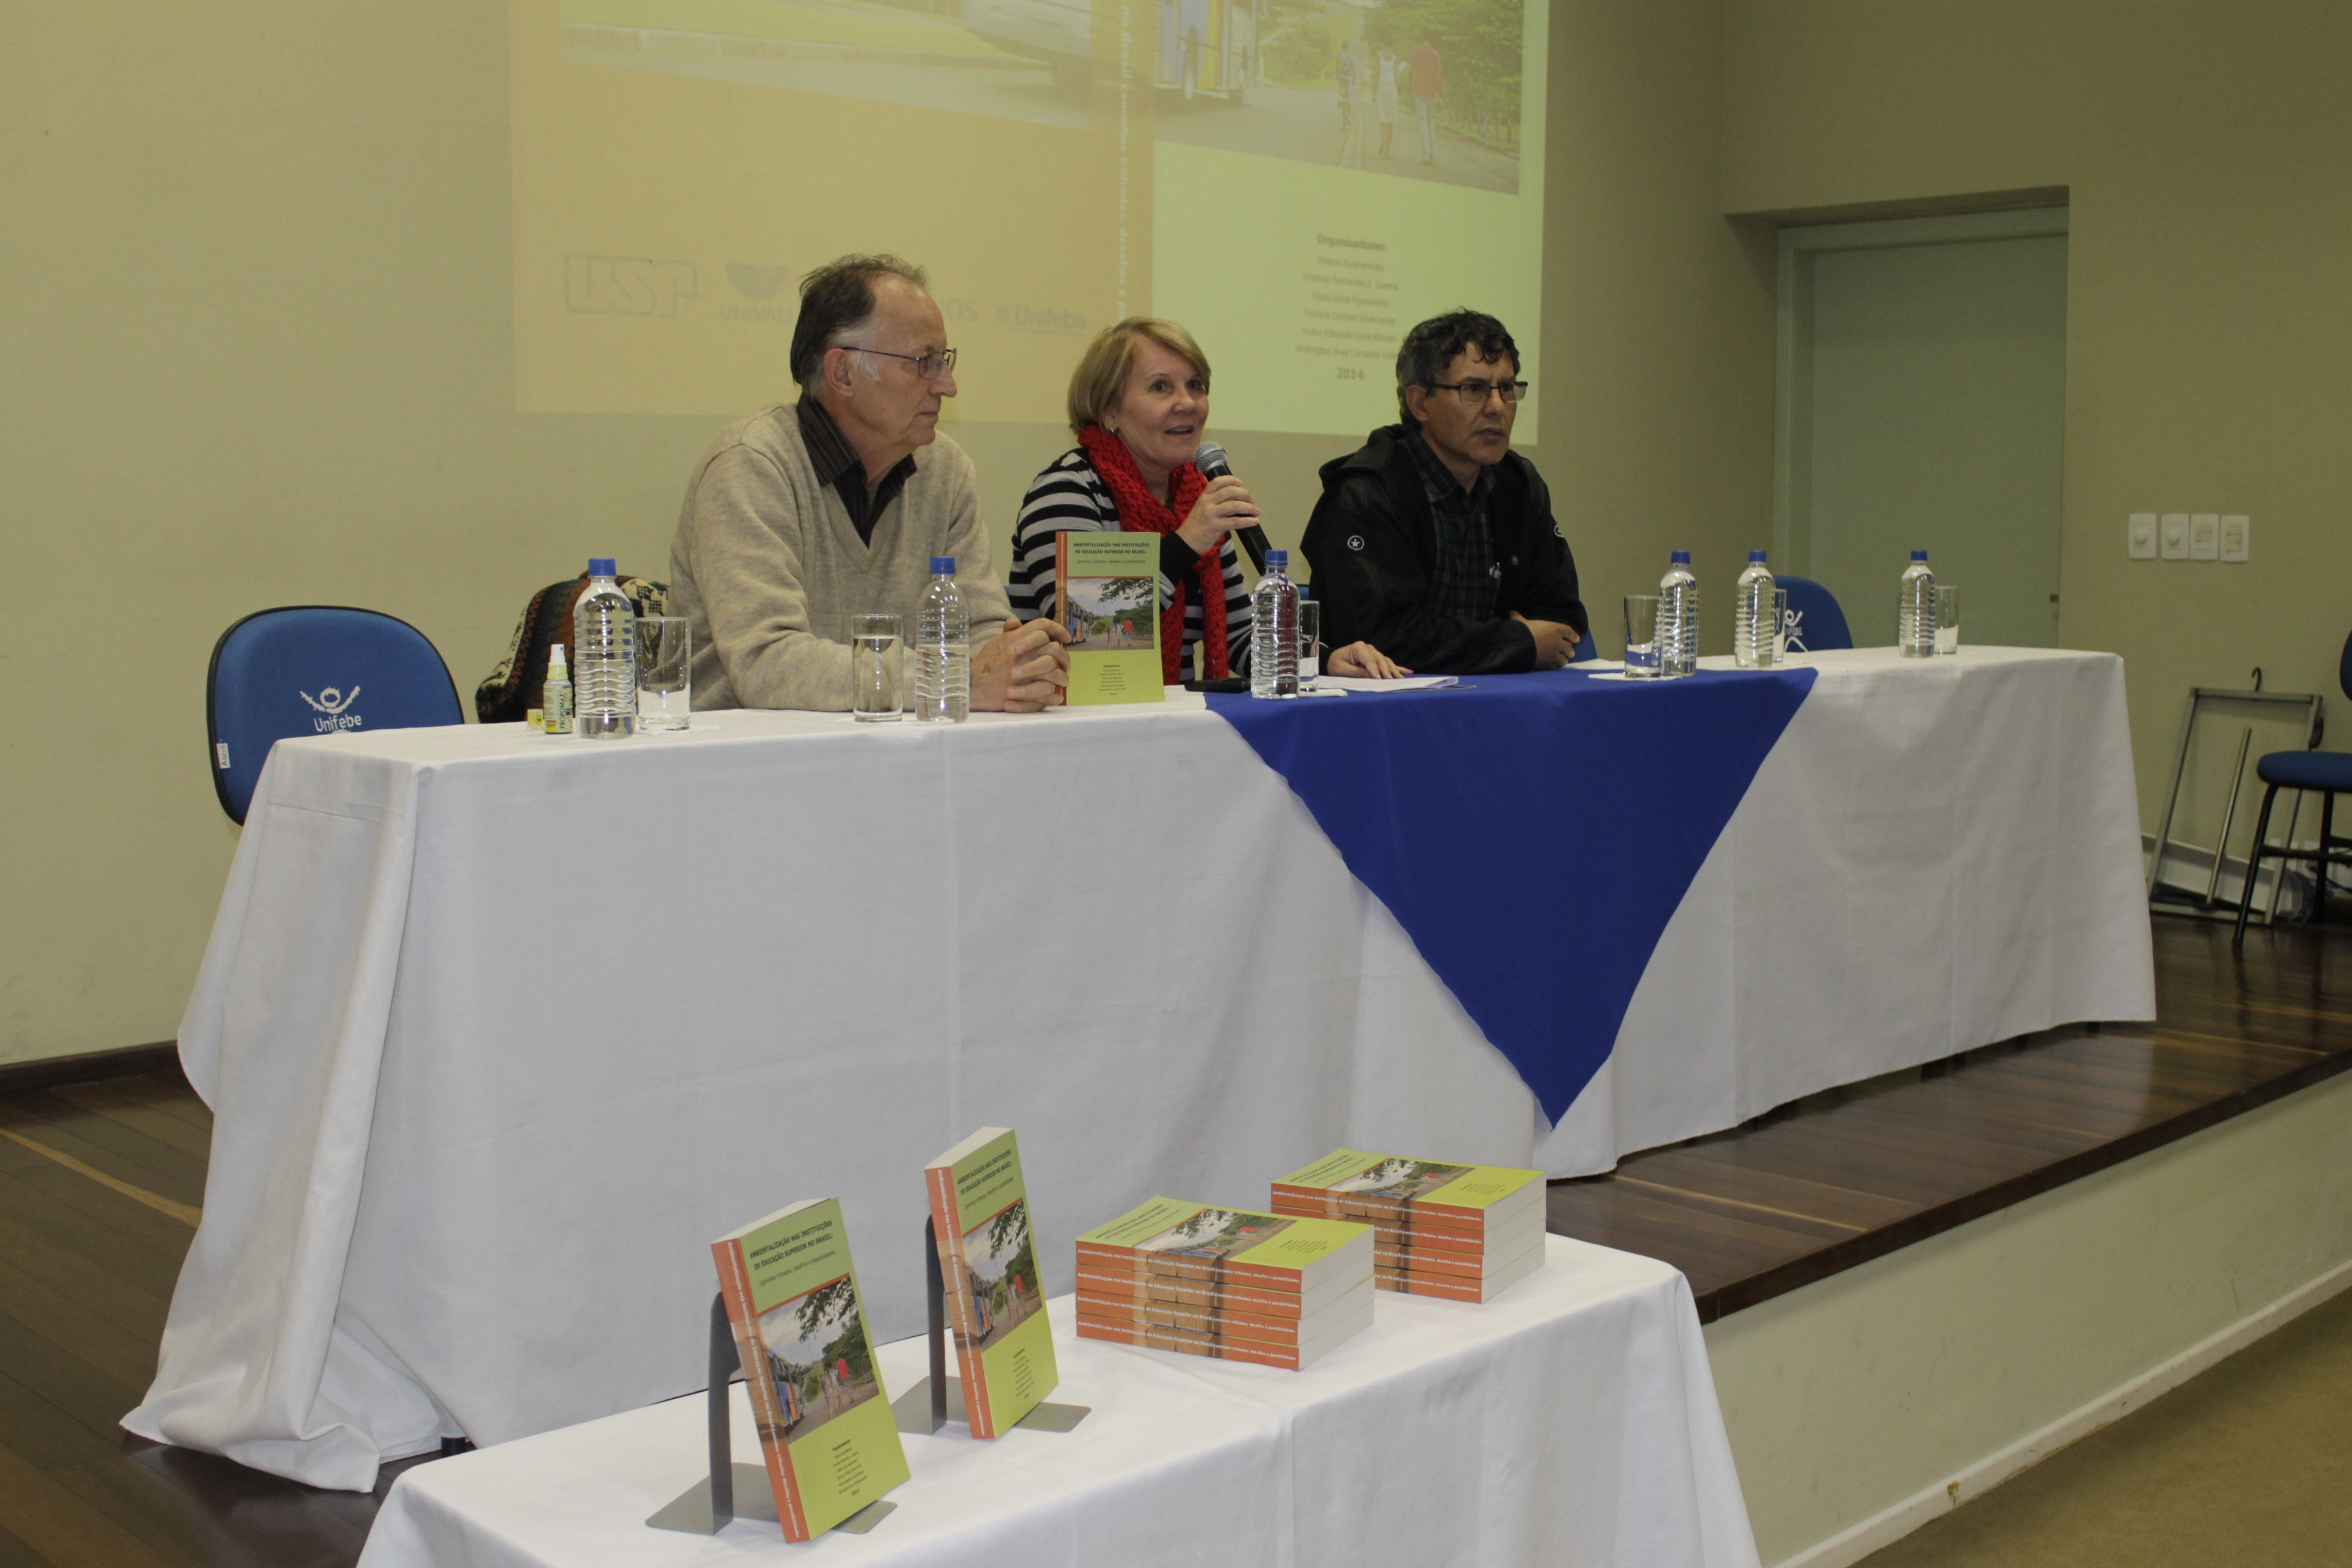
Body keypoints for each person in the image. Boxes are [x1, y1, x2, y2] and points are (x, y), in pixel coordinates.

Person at [666, 254, 1070, 711]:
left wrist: (1019, 666)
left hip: (896, 748)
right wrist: (952, 679)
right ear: (842, 373)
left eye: (944, 361)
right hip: (746, 759)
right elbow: (766, 662)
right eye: (924, 362)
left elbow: (978, 631)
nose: (948, 385)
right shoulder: (751, 465)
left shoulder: (945, 470)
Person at [1010, 318, 1406, 683]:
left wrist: (1324, 659)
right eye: (1161, 387)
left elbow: (1241, 637)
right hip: (1073, 723)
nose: (1188, 403)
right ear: (1109, 409)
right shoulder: (1068, 490)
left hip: (1171, 720)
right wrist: (1186, 543)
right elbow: (1093, 635)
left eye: (1195, 385)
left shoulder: (1193, 498)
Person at [1300, 310, 1586, 674]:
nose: (1498, 407)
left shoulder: (1519, 484)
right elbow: (1383, 640)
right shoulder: (1368, 493)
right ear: (1420, 403)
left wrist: (1499, 643)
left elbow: (1562, 622)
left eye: (1508, 389)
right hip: (1393, 715)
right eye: (1474, 390)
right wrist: (1515, 640)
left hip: (1503, 704)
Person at [1408, 32, 1442, 164]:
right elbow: (1439, 76)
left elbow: (1411, 70)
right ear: (1431, 39)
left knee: (1422, 123)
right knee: (1431, 123)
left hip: (1419, 91)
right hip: (1431, 93)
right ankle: (1433, 152)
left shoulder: (1416, 51)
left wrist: (1410, 86)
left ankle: (1426, 155)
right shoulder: (1436, 54)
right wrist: (1441, 95)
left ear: (1422, 38)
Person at [1375, 45, 1400, 160]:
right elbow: (1397, 76)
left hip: (1382, 88)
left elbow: (1377, 74)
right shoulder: (1396, 59)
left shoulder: (1379, 56)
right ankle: (1387, 152)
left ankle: (1383, 141)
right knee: (1390, 123)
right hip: (1392, 89)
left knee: (1382, 120)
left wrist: (1373, 91)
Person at [1336, 37, 1355, 130]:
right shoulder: (1350, 56)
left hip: (1341, 75)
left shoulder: (1340, 55)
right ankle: (1350, 118)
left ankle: (1340, 99)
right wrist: (1354, 79)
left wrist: (1337, 75)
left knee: (1341, 86)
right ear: (1348, 47)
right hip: (1348, 76)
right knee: (1348, 96)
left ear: (1342, 47)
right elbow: (1353, 67)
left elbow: (1337, 65)